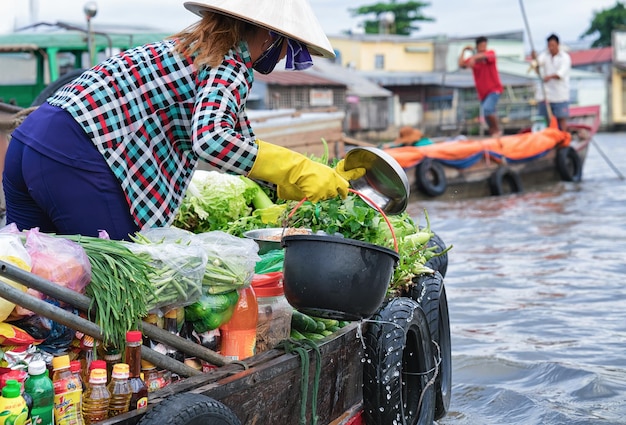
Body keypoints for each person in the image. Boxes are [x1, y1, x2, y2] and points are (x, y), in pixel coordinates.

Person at [2, 0, 364, 241]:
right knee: (121, 283)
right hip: (72, 157)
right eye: (290, 48)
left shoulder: (189, 50)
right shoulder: (228, 65)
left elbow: (237, 140)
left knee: (39, 279)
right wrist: (296, 169)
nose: (285, 57)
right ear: (270, 36)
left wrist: (286, 186)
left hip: (27, 142)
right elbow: (212, 140)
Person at [458, 36, 503, 137]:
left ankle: (497, 131)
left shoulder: (490, 54)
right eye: (481, 46)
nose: (483, 48)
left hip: (494, 89)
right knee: (486, 116)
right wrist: (464, 50)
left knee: (487, 109)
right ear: (477, 47)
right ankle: (493, 133)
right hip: (483, 93)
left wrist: (474, 57)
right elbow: (461, 64)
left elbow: (484, 56)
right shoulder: (473, 59)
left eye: (485, 45)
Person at [531, 33, 571, 131]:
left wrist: (549, 77)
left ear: (558, 45)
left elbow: (560, 74)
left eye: (553, 46)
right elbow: (538, 63)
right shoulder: (545, 55)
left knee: (561, 118)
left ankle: (563, 138)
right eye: (549, 46)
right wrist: (534, 58)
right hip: (546, 95)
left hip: (560, 95)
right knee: (546, 119)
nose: (551, 48)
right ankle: (549, 140)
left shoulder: (565, 57)